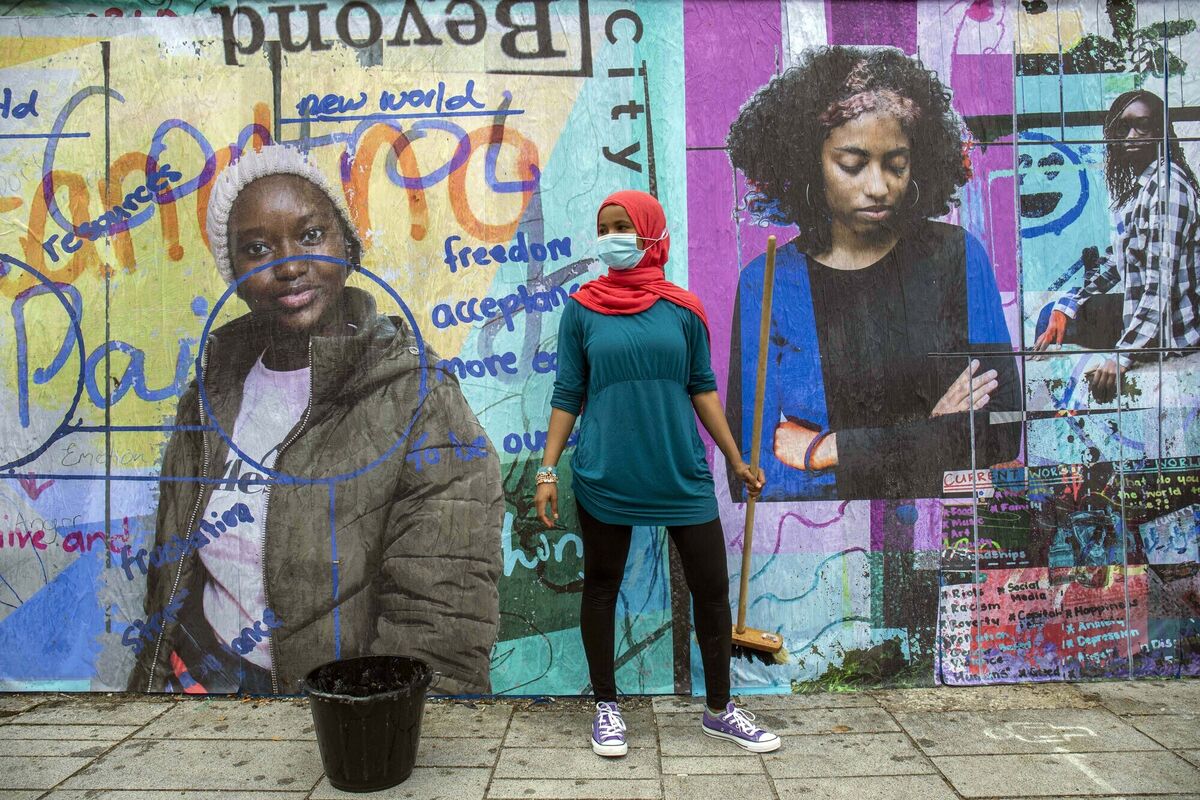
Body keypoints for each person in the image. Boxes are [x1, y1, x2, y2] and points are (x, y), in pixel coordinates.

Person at [127, 144, 503, 695]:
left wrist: (377, 732)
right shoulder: (209, 396)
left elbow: (443, 609)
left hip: (342, 707)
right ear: (235, 274)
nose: (289, 265)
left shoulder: (417, 396)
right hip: (202, 687)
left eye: (309, 236)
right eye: (257, 249)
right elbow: (173, 574)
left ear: (346, 246)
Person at [532, 190, 780, 757]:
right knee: (601, 588)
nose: (612, 236)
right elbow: (568, 394)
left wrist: (736, 458)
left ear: (649, 231)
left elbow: (702, 389)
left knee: (712, 592)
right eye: (604, 227)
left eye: (623, 225)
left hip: (679, 471)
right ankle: (607, 708)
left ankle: (720, 709)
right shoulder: (582, 308)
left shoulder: (684, 309)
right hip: (606, 473)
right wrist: (547, 471)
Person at [724, 46, 1021, 501]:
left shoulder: (955, 256)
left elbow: (1001, 430)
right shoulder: (769, 284)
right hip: (818, 545)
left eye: (896, 165)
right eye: (853, 164)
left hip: (949, 534)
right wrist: (933, 436)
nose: (879, 186)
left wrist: (829, 448)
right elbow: (753, 474)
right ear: (809, 163)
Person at [1034, 89, 1200, 402]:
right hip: (1147, 316)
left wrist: (1122, 356)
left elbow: (1160, 286)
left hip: (1171, 333)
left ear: (1161, 131)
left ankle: (1056, 425)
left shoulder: (1167, 188)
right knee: (1052, 315)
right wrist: (1068, 304)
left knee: (1051, 329)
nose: (1131, 136)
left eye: (1143, 126)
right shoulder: (1144, 189)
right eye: (1122, 128)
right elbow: (1115, 260)